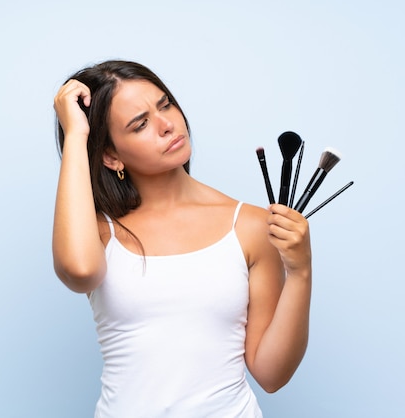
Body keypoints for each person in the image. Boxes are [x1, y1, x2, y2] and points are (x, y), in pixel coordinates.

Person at [52, 60, 312, 417]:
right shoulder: (99, 231)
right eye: (140, 124)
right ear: (111, 156)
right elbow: (79, 271)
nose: (167, 125)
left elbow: (271, 374)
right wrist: (77, 137)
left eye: (165, 105)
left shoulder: (250, 225)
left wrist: (301, 271)